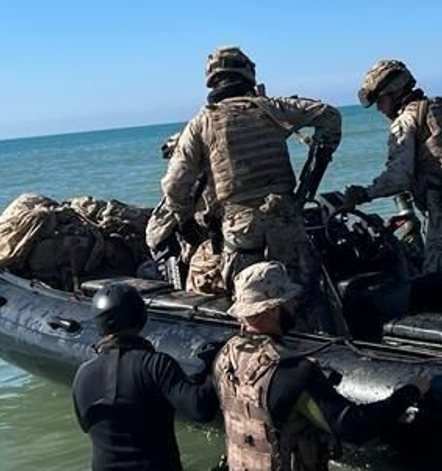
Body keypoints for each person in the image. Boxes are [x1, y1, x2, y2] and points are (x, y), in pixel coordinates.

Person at [211, 262, 442, 471]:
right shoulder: (293, 371)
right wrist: (410, 391)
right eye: (288, 301)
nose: (293, 306)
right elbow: (354, 427)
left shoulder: (226, 357)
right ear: (273, 309)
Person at [145, 45, 342, 330]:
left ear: (212, 80)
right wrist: (313, 174)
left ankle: (257, 357)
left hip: (241, 225)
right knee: (304, 293)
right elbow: (330, 115)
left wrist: (184, 218)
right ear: (248, 75)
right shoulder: (273, 108)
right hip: (285, 216)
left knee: (250, 301)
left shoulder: (201, 122)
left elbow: (175, 184)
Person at [341, 59, 442, 302]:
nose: (380, 109)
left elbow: (398, 177)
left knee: (438, 285)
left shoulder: (406, 121)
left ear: (395, 93)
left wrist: (365, 193)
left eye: (381, 101)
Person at [71, 283, 220, 471]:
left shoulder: (82, 374)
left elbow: (88, 424)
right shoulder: (156, 365)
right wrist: (215, 367)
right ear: (140, 317)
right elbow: (199, 409)